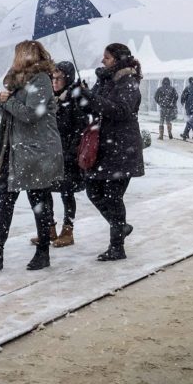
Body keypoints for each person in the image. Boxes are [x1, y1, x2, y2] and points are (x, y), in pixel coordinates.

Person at [0, 40, 63, 271]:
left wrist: (8, 101)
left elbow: (32, 114)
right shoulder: (18, 81)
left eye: (20, 54)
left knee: (38, 201)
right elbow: (8, 115)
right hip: (15, 152)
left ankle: (43, 251)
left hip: (35, 152)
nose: (16, 58)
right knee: (5, 202)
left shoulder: (40, 79)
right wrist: (2, 101)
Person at [80, 43, 145, 261]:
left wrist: (94, 98)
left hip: (122, 148)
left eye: (106, 58)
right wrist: (85, 95)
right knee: (93, 191)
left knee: (113, 197)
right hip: (104, 147)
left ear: (117, 59)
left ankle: (117, 246)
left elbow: (121, 110)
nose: (102, 61)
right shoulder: (105, 79)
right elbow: (94, 106)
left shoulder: (128, 81)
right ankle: (120, 226)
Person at [31, 60, 89, 248]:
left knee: (66, 192)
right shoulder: (51, 99)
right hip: (49, 153)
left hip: (67, 156)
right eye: (53, 78)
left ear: (68, 78)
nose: (55, 82)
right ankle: (49, 228)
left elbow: (80, 129)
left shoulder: (74, 99)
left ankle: (68, 229)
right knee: (45, 190)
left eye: (59, 78)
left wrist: (70, 153)